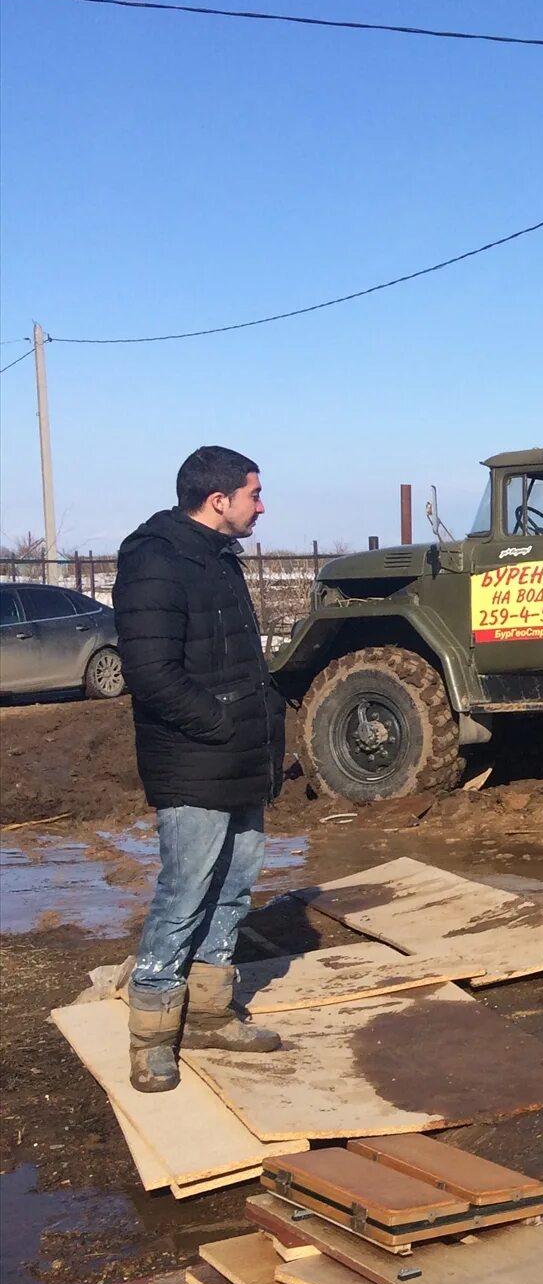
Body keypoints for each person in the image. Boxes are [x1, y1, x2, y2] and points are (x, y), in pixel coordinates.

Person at [113, 445, 286, 1092]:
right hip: (196, 757)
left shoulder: (216, 559)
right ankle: (152, 1033)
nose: (261, 505)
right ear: (219, 501)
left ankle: (211, 1010)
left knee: (235, 885)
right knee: (185, 893)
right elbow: (152, 676)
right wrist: (221, 726)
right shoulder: (157, 560)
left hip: (237, 754)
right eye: (254, 493)